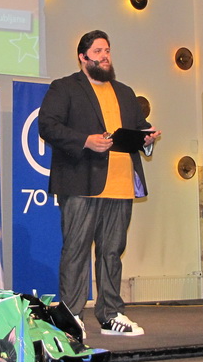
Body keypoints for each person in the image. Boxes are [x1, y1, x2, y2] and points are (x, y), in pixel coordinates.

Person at [38, 29, 161, 337]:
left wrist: (147, 139)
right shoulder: (65, 87)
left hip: (122, 184)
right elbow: (47, 126)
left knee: (112, 252)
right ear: (83, 57)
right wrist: (86, 141)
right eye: (98, 52)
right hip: (81, 182)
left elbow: (139, 128)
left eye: (107, 50)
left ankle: (111, 314)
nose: (105, 56)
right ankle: (72, 315)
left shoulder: (125, 92)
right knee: (76, 250)